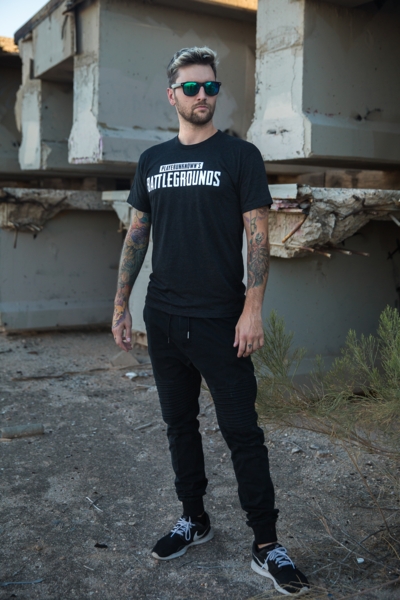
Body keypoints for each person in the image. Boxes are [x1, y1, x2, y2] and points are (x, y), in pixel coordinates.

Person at [112, 46, 309, 596]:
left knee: (242, 432)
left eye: (211, 87)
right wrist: (121, 303)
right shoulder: (152, 160)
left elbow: (258, 237)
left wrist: (253, 308)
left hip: (222, 320)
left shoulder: (240, 155)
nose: (203, 96)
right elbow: (137, 235)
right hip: (163, 318)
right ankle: (193, 518)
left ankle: (266, 544)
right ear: (172, 94)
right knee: (179, 425)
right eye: (192, 87)